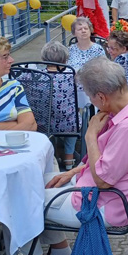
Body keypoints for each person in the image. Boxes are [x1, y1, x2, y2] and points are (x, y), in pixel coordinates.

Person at [7, 57, 128, 255]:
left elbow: (103, 180)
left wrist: (90, 136)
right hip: (107, 194)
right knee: (36, 186)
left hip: (104, 204)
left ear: (101, 97)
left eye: (90, 96)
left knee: (14, 203)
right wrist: (74, 171)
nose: (90, 101)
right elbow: (110, 163)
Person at [39, 41, 80, 170]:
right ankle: (69, 158)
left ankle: (52, 156)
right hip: (68, 124)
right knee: (74, 115)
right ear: (64, 59)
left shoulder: (35, 75)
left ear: (44, 58)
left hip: (43, 124)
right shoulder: (72, 75)